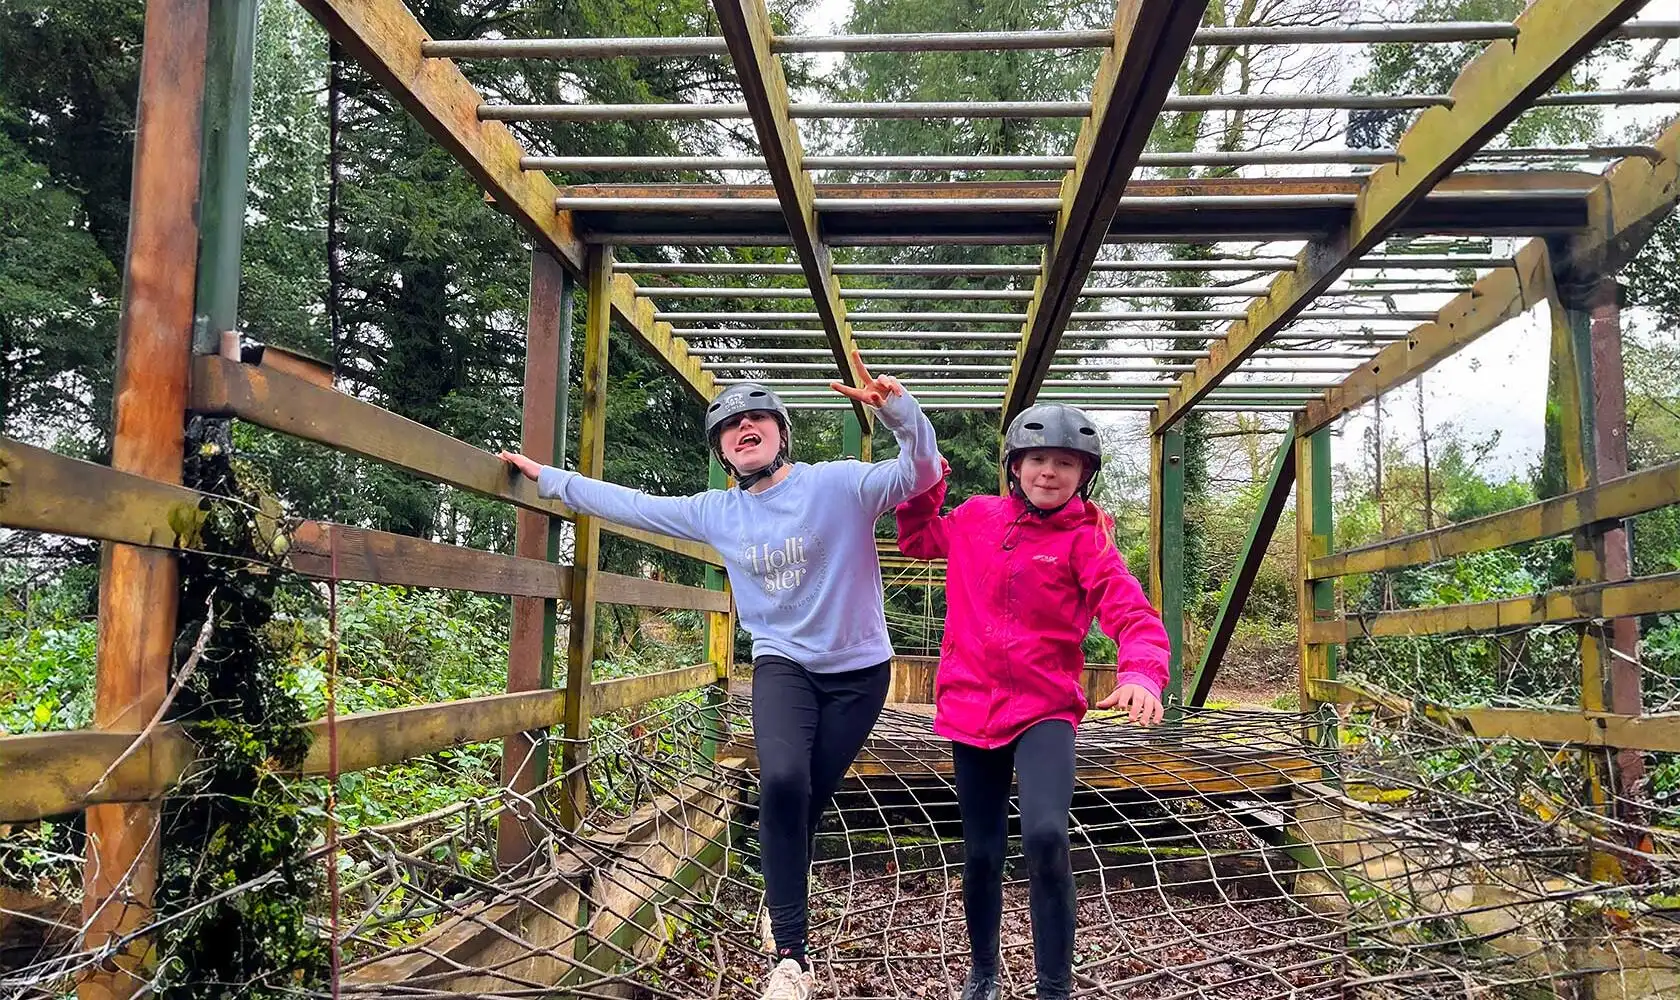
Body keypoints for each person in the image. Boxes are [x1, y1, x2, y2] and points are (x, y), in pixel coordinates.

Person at [500, 353, 940, 1000]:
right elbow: (634, 506)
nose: (745, 428)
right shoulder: (717, 513)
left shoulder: (838, 485)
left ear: (781, 432)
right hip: (782, 663)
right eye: (731, 426)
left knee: (809, 798)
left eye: (758, 417)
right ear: (723, 452)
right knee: (784, 780)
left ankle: (777, 894)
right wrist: (551, 480)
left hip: (859, 671)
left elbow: (922, 472)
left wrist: (900, 412)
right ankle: (792, 960)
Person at [894, 403, 1170, 1000]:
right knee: (983, 850)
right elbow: (918, 538)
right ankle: (985, 973)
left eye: (1066, 463)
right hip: (969, 706)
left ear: (1083, 473)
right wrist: (926, 476)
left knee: (1046, 834)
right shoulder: (975, 519)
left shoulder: (1086, 541)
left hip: (1045, 708)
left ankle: (1054, 987)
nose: (1050, 472)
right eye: (1038, 459)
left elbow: (1133, 615)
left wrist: (1143, 674)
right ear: (1015, 466)